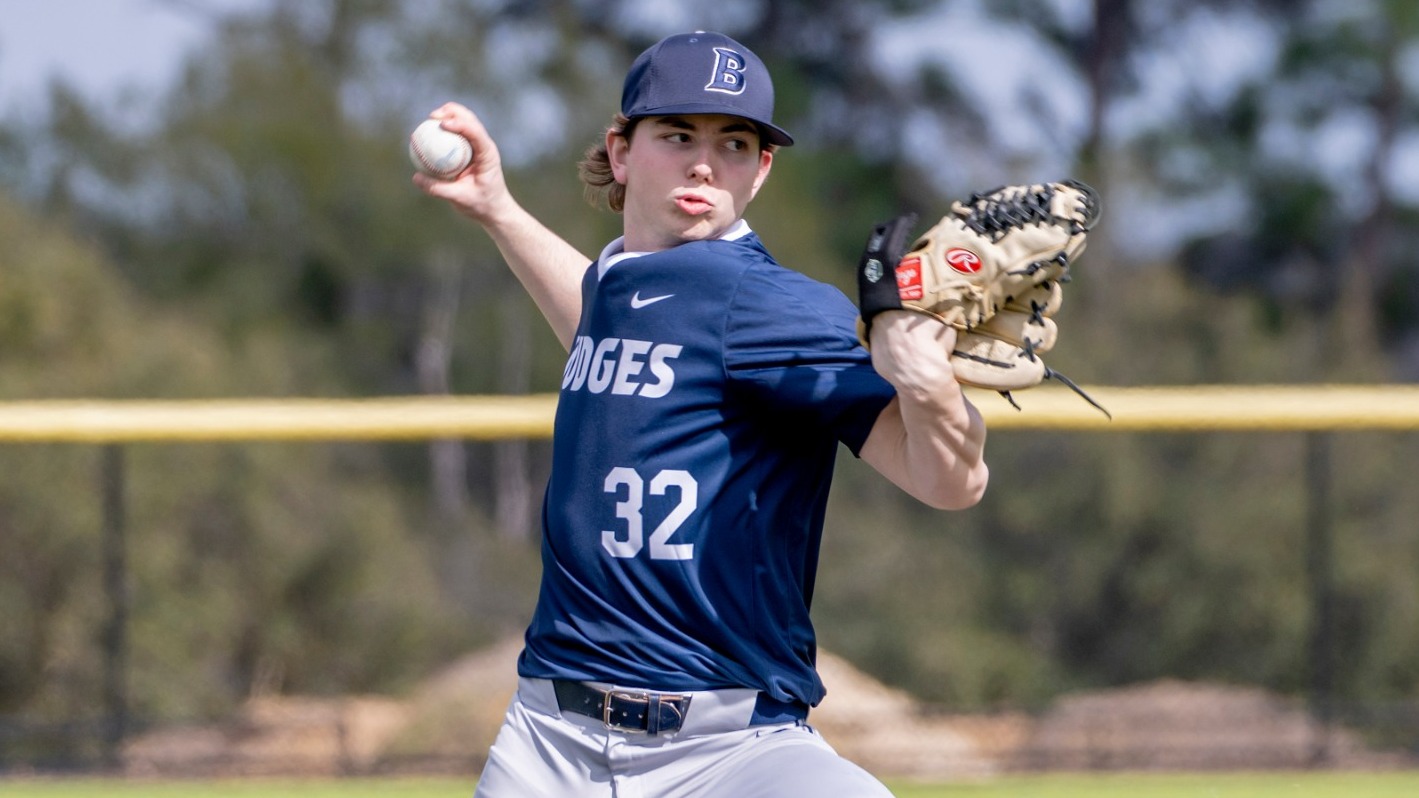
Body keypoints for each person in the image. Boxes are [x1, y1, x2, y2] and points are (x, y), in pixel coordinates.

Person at [415, 30, 987, 798]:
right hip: (548, 743)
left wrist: (930, 388)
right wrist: (498, 210)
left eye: (734, 142)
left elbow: (948, 482)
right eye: (677, 134)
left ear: (761, 169)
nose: (703, 162)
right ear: (620, 151)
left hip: (729, 750)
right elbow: (595, 319)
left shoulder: (774, 305)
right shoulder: (620, 285)